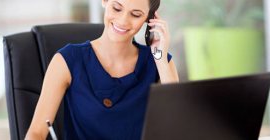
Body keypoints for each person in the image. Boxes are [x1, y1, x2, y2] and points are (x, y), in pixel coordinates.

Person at [25, 0, 179, 139]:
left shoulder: (159, 62)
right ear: (105, 1)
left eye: (135, 14)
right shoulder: (67, 60)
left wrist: (160, 59)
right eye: (117, 8)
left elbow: (177, 127)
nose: (123, 21)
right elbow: (36, 132)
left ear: (149, 19)